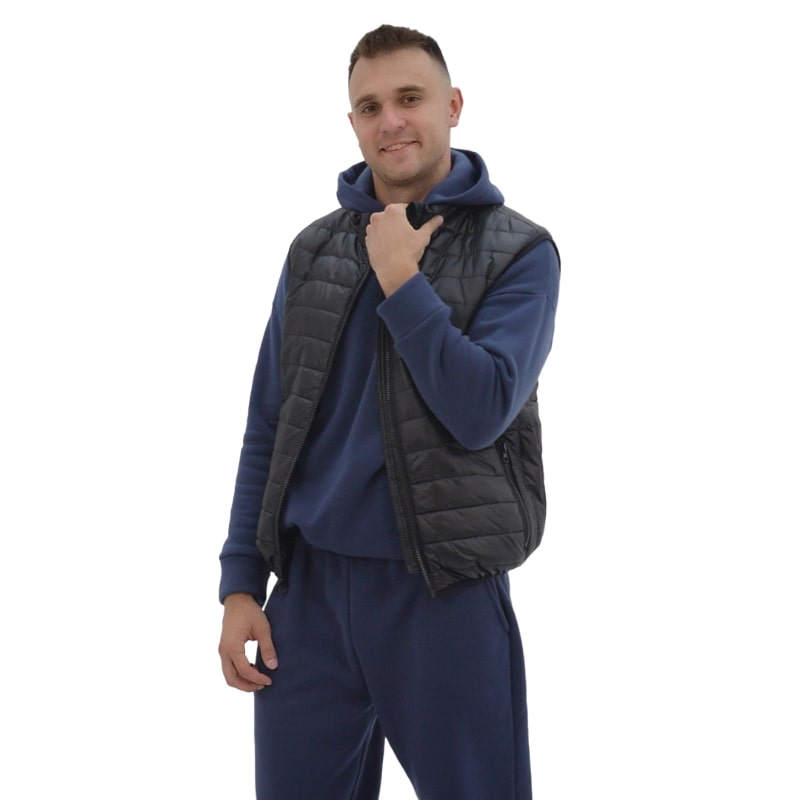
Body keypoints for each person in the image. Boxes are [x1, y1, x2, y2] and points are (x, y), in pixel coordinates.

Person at [218, 23, 560, 800]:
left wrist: (404, 284)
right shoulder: (313, 250)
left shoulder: (519, 252)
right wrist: (241, 583)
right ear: (353, 123)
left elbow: (480, 410)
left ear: (453, 106)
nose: (391, 121)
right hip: (308, 600)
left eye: (411, 98)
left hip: (443, 594)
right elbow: (268, 424)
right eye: (370, 107)